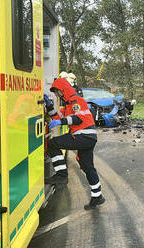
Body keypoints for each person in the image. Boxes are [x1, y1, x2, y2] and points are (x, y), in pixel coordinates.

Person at [44, 78, 105, 210]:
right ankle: (97, 196)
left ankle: (61, 175)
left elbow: (78, 118)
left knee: (53, 144)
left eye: (57, 92)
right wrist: (49, 106)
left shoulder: (76, 101)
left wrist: (62, 122)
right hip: (88, 137)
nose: (56, 95)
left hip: (83, 135)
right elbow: (57, 118)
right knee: (88, 167)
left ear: (63, 90)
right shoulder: (68, 105)